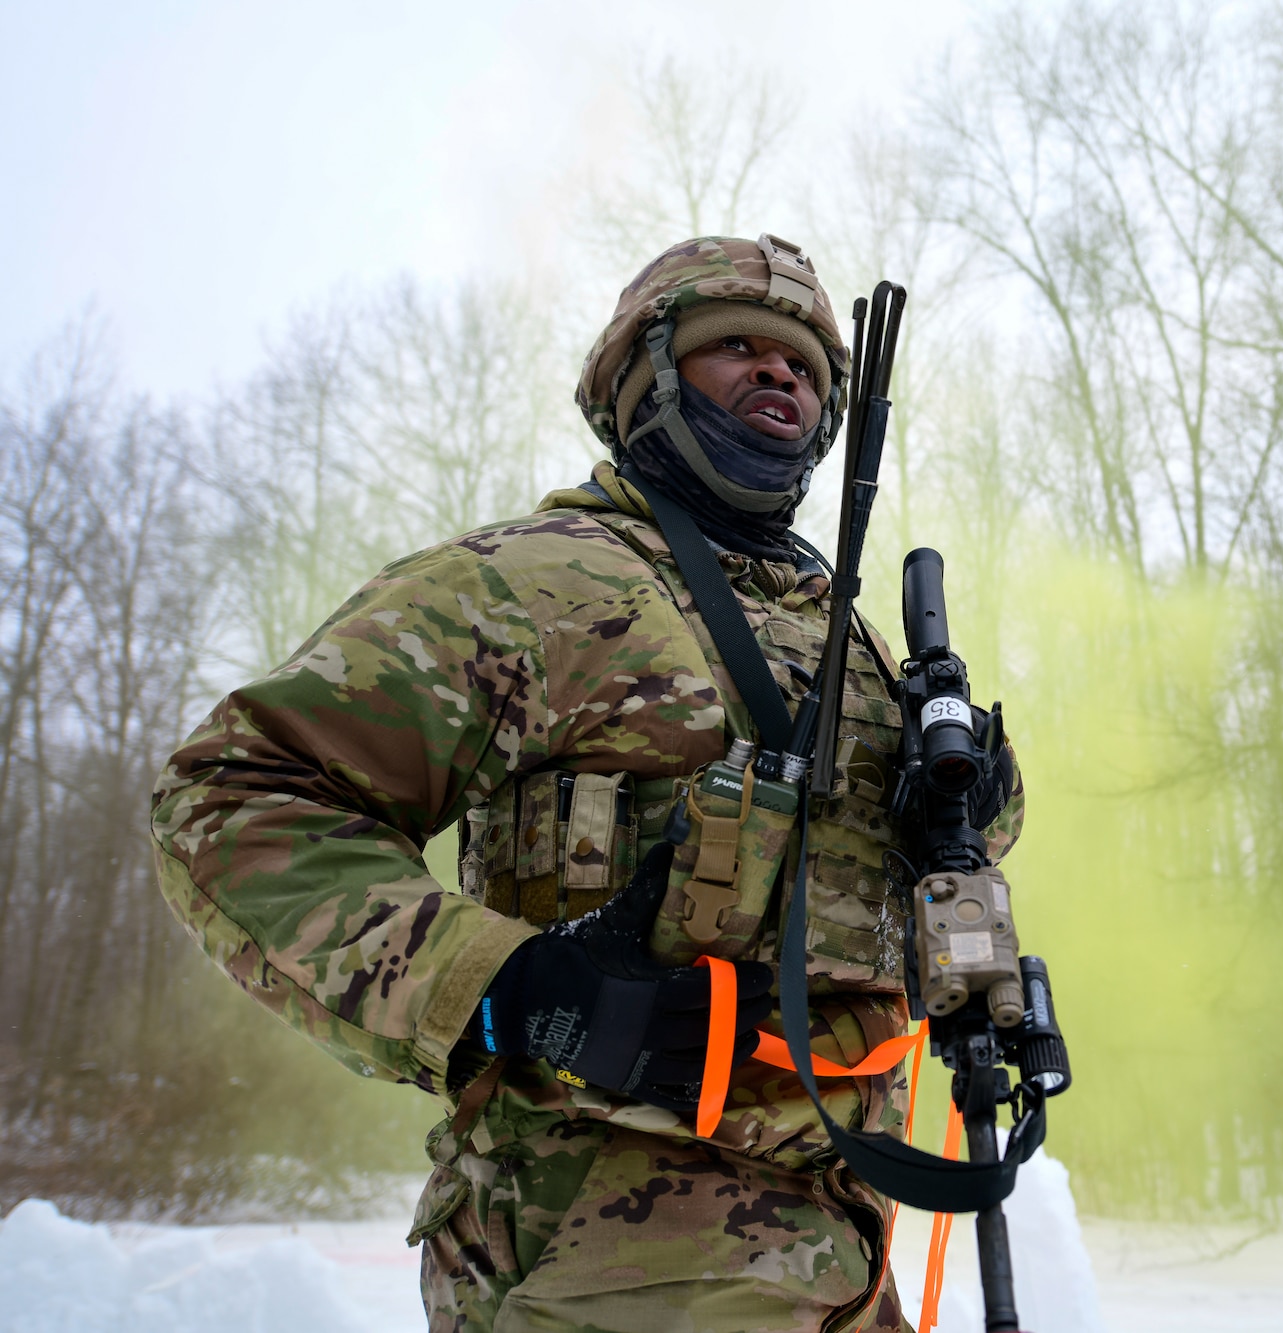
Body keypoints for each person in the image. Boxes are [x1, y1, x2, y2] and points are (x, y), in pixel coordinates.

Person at [151, 234, 1024, 1333]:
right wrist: (502, 989)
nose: (779, 376)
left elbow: (888, 881)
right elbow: (231, 800)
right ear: (643, 381)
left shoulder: (845, 637)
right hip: (599, 1259)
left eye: (803, 365)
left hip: (846, 1250)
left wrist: (977, 801)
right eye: (736, 348)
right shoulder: (535, 582)